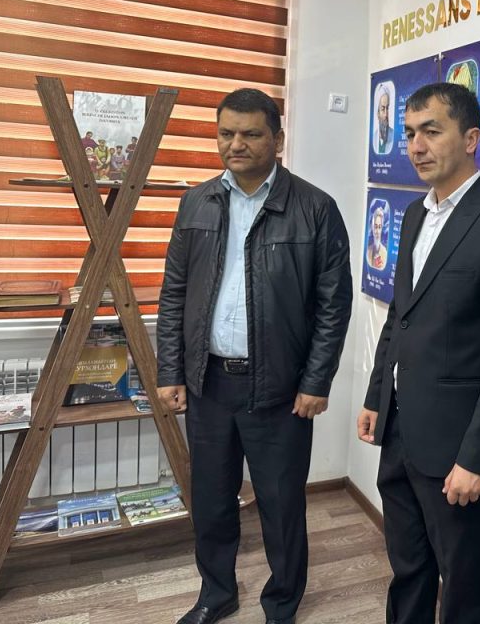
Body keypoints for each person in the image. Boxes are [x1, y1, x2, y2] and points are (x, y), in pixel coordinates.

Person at [156, 87, 352, 624]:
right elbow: (174, 293)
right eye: (226, 133)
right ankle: (216, 592)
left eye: (250, 134)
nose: (235, 144)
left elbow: (333, 305)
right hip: (208, 383)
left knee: (281, 504)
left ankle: (282, 603)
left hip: (281, 388)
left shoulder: (314, 208)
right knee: (211, 499)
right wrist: (170, 369)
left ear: (277, 140)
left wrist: (316, 381)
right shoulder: (197, 203)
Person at [357, 82, 480, 624]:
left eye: (431, 131)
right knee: (407, 569)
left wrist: (478, 457)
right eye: (410, 133)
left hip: (459, 448)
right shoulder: (416, 215)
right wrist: (376, 396)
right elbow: (401, 315)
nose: (416, 146)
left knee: (462, 589)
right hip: (400, 430)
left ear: (471, 139)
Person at [373, 85, 394, 154]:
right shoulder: (373, 138)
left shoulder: (394, 136)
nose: (386, 114)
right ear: (378, 113)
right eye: (382, 109)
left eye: (387, 108)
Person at [367, 204, 388, 270]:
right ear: (372, 227)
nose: (377, 231)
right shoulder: (368, 251)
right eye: (375, 227)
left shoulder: (385, 253)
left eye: (379, 227)